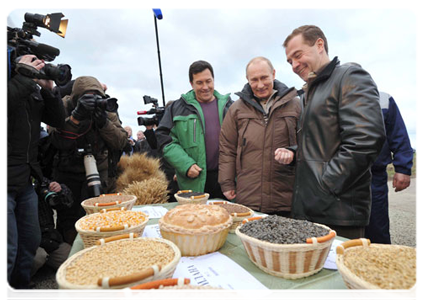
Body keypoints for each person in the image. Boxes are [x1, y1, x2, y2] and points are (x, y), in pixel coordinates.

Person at [280, 25, 386, 239]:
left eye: (297, 55)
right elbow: (321, 143)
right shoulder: (310, 92)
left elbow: (365, 139)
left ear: (320, 45)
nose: (294, 65)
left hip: (338, 212)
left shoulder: (350, 76)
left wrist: (327, 185)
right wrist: (294, 152)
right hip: (309, 209)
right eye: (290, 61)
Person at [6, 54, 66, 300]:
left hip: (24, 180)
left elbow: (57, 120)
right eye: (32, 63)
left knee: (29, 243)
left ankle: (21, 293)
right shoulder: (13, 86)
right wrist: (24, 77)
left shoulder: (31, 91)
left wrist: (49, 90)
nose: (38, 69)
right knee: (7, 250)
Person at [49, 76, 127, 244]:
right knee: (70, 225)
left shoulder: (107, 108)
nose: (93, 101)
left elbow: (121, 141)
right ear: (76, 98)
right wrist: (76, 117)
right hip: (68, 174)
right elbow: (57, 140)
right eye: (87, 97)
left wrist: (104, 122)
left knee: (102, 221)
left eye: (95, 96)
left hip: (101, 172)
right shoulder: (64, 106)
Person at [219, 57, 301, 215]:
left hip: (286, 198)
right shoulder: (236, 109)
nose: (260, 85)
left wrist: (294, 152)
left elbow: (308, 144)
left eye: (264, 78)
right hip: (249, 197)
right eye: (254, 80)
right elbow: (227, 148)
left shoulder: (296, 105)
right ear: (247, 80)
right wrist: (227, 183)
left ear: (273, 74)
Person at [156, 60, 232, 198]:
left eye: (208, 81)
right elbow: (164, 139)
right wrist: (185, 165)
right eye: (199, 82)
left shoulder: (230, 107)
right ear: (191, 84)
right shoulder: (177, 108)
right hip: (193, 182)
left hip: (226, 183)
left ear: (213, 80)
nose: (205, 87)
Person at [365, 92, 414, 244]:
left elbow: (398, 134)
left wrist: (403, 168)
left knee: (376, 228)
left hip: (373, 176)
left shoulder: (383, 100)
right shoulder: (333, 95)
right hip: (339, 175)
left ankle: (381, 264)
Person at [32, 178, 73, 276]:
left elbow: (67, 202)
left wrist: (60, 190)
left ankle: (46, 265)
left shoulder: (39, 181)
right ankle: (19, 281)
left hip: (48, 237)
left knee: (73, 258)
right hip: (28, 242)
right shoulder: (12, 188)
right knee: (38, 257)